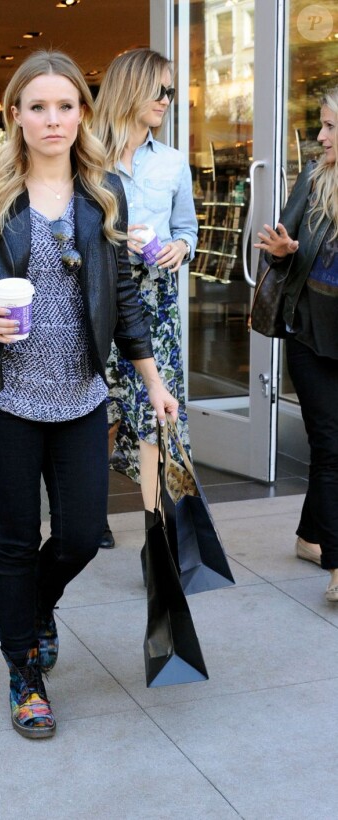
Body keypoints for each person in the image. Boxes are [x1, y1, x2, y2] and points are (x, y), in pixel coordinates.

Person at [0, 50, 178, 739]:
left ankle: (34, 608)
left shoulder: (105, 192)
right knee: (15, 539)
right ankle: (23, 671)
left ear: (83, 114)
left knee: (76, 536)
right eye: (37, 106)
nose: (52, 119)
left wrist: (152, 382)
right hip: (4, 397)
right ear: (14, 115)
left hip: (80, 397)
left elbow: (123, 295)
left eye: (65, 105)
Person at [93, 48, 198, 548]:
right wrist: (114, 239)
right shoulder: (87, 157)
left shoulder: (174, 163)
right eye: (159, 89)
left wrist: (181, 247)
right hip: (100, 296)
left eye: (171, 90)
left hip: (155, 303)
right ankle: (89, 513)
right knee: (101, 412)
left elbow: (186, 231)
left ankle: (159, 535)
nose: (167, 99)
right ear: (131, 88)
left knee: (156, 418)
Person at [254, 87, 338, 604]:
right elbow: (280, 252)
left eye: (331, 128)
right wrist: (287, 251)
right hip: (312, 330)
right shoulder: (314, 179)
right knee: (331, 444)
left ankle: (311, 535)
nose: (321, 137)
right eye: (322, 126)